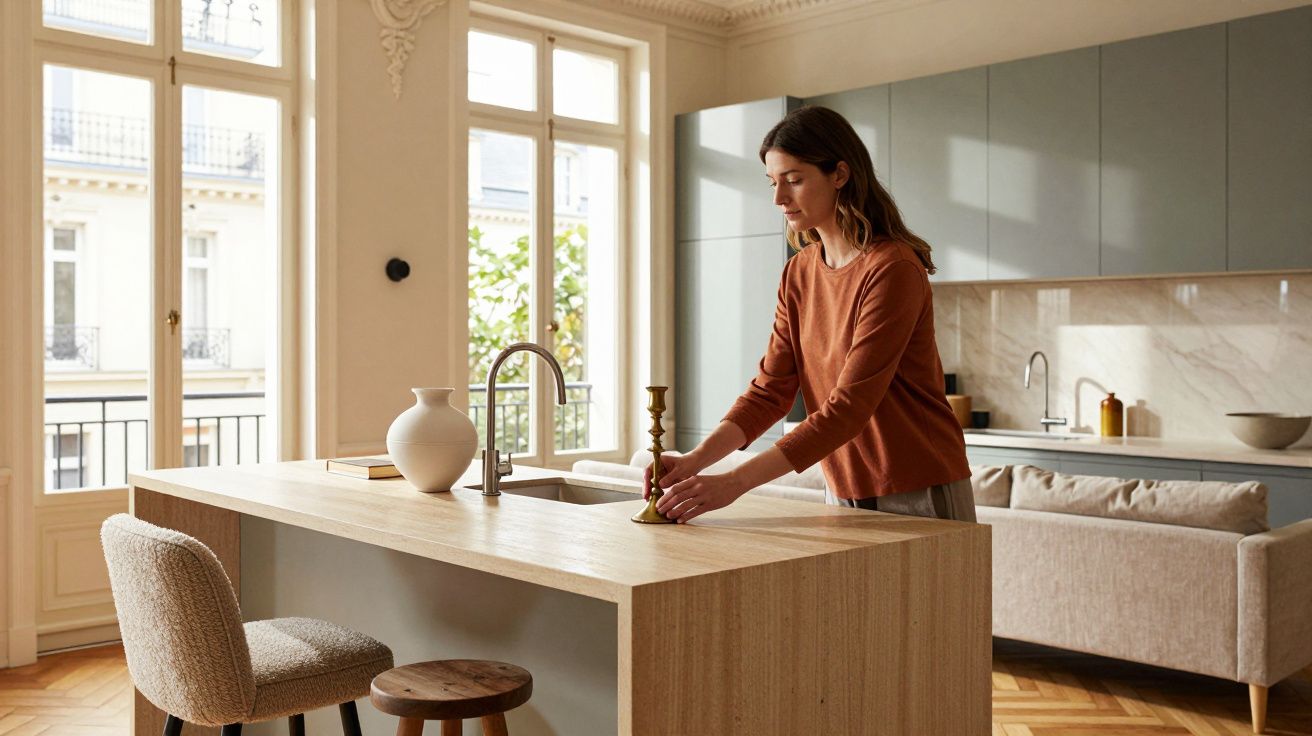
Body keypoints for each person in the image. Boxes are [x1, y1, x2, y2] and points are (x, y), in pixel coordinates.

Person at [645, 105, 974, 524]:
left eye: (794, 180)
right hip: (842, 485)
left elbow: (848, 408)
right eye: (773, 183)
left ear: (839, 174)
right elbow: (771, 391)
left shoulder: (892, 268)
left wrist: (734, 483)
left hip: (918, 484)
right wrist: (694, 461)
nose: (779, 199)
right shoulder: (799, 272)